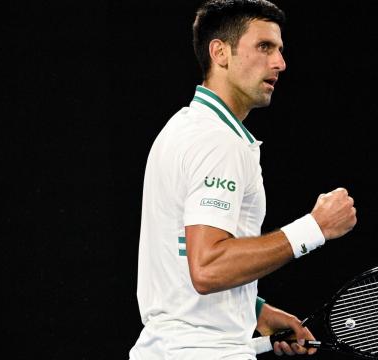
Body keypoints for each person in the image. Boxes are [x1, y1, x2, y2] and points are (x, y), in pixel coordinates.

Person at [128, 1, 357, 359]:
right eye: (264, 47)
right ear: (220, 53)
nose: (280, 63)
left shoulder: (184, 128)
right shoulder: (217, 142)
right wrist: (315, 228)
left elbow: (182, 262)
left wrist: (255, 310)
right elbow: (207, 267)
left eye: (280, 50)